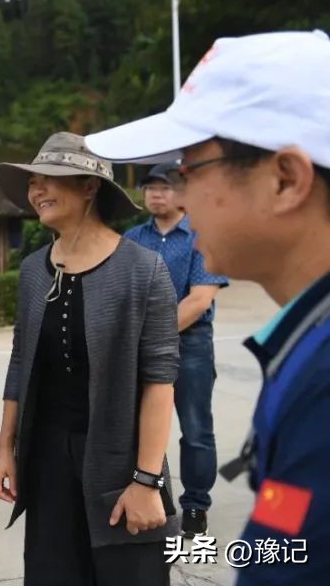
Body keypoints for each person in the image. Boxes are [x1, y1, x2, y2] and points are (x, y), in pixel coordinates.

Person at [85, 30, 330, 585]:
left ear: (285, 180)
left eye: (190, 172)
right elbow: (292, 544)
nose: (179, 195)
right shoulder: (304, 345)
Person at [0, 132, 180, 586]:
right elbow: (21, 364)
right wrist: (6, 450)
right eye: (33, 181)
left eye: (49, 179)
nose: (37, 191)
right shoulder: (35, 270)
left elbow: (160, 380)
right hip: (48, 461)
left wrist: (146, 480)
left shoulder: (143, 269)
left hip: (120, 460)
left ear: (89, 187)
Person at [124, 161, 229, 539]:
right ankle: (144, 493)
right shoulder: (133, 237)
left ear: (183, 193)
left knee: (196, 429)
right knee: (137, 426)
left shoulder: (203, 236)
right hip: (138, 344)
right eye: (150, 188)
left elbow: (199, 300)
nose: (155, 194)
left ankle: (196, 506)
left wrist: (153, 334)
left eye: (164, 187)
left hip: (192, 344)